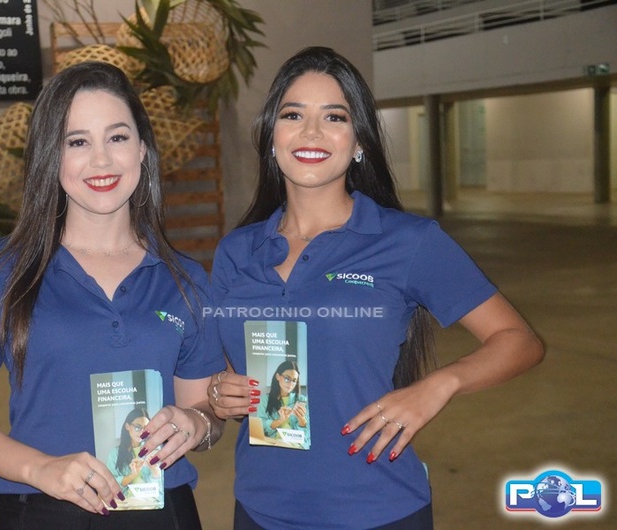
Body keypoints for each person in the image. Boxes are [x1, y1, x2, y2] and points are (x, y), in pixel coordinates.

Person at [206, 47, 544, 529]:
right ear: (271, 136)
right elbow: (226, 376)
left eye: (334, 117)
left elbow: (520, 341)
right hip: (261, 509)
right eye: (293, 115)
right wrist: (221, 393)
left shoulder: (408, 241)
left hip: (377, 509)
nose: (311, 132)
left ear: (359, 140)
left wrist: (437, 386)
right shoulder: (236, 251)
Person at [0, 61, 225, 530]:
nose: (102, 161)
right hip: (39, 508)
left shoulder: (185, 278)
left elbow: (206, 411)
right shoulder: (4, 270)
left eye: (117, 137)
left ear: (142, 149)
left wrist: (195, 423)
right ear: (51, 156)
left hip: (162, 509)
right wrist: (40, 468)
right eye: (78, 142)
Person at [106, 408, 161, 496]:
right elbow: (110, 484)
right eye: (138, 427)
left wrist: (156, 472)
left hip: (150, 499)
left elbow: (160, 488)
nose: (142, 432)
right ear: (127, 426)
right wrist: (132, 475)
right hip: (127, 500)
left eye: (145, 428)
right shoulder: (114, 454)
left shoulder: (154, 450)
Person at [255, 360, 309, 444]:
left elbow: (307, 436)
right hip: (274, 443)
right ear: (278, 376)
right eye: (287, 379)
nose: (291, 384)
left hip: (295, 445)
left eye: (294, 380)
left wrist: (302, 420)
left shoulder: (303, 400)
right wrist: (279, 421)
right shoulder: (266, 399)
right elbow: (260, 426)